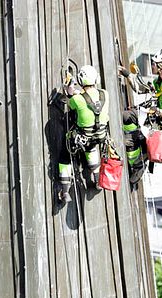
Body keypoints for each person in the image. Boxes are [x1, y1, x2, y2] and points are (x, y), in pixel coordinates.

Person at [121, 48, 162, 185]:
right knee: (125, 116)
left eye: (154, 63)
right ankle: (134, 145)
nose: (152, 65)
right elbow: (140, 89)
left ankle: (137, 165)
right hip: (151, 117)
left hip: (158, 127)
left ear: (161, 66)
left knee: (126, 141)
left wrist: (158, 111)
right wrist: (127, 75)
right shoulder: (160, 83)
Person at [57, 64, 110, 203]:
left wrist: (69, 92)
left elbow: (72, 102)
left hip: (82, 138)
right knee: (91, 148)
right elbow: (90, 101)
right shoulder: (105, 94)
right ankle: (98, 180)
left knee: (65, 157)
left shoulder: (77, 100)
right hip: (99, 136)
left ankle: (65, 191)